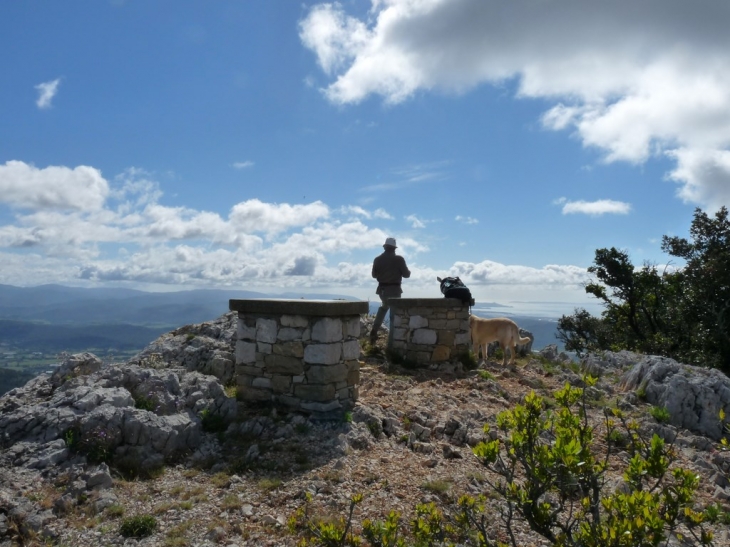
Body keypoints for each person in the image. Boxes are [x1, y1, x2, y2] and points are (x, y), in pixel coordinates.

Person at [370, 237, 411, 344]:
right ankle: (392, 341)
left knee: (384, 307)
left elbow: (374, 275)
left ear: (385, 247)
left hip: (382, 290)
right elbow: (406, 275)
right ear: (394, 248)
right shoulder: (399, 259)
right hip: (395, 290)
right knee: (395, 314)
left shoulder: (377, 259)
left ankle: (374, 330)